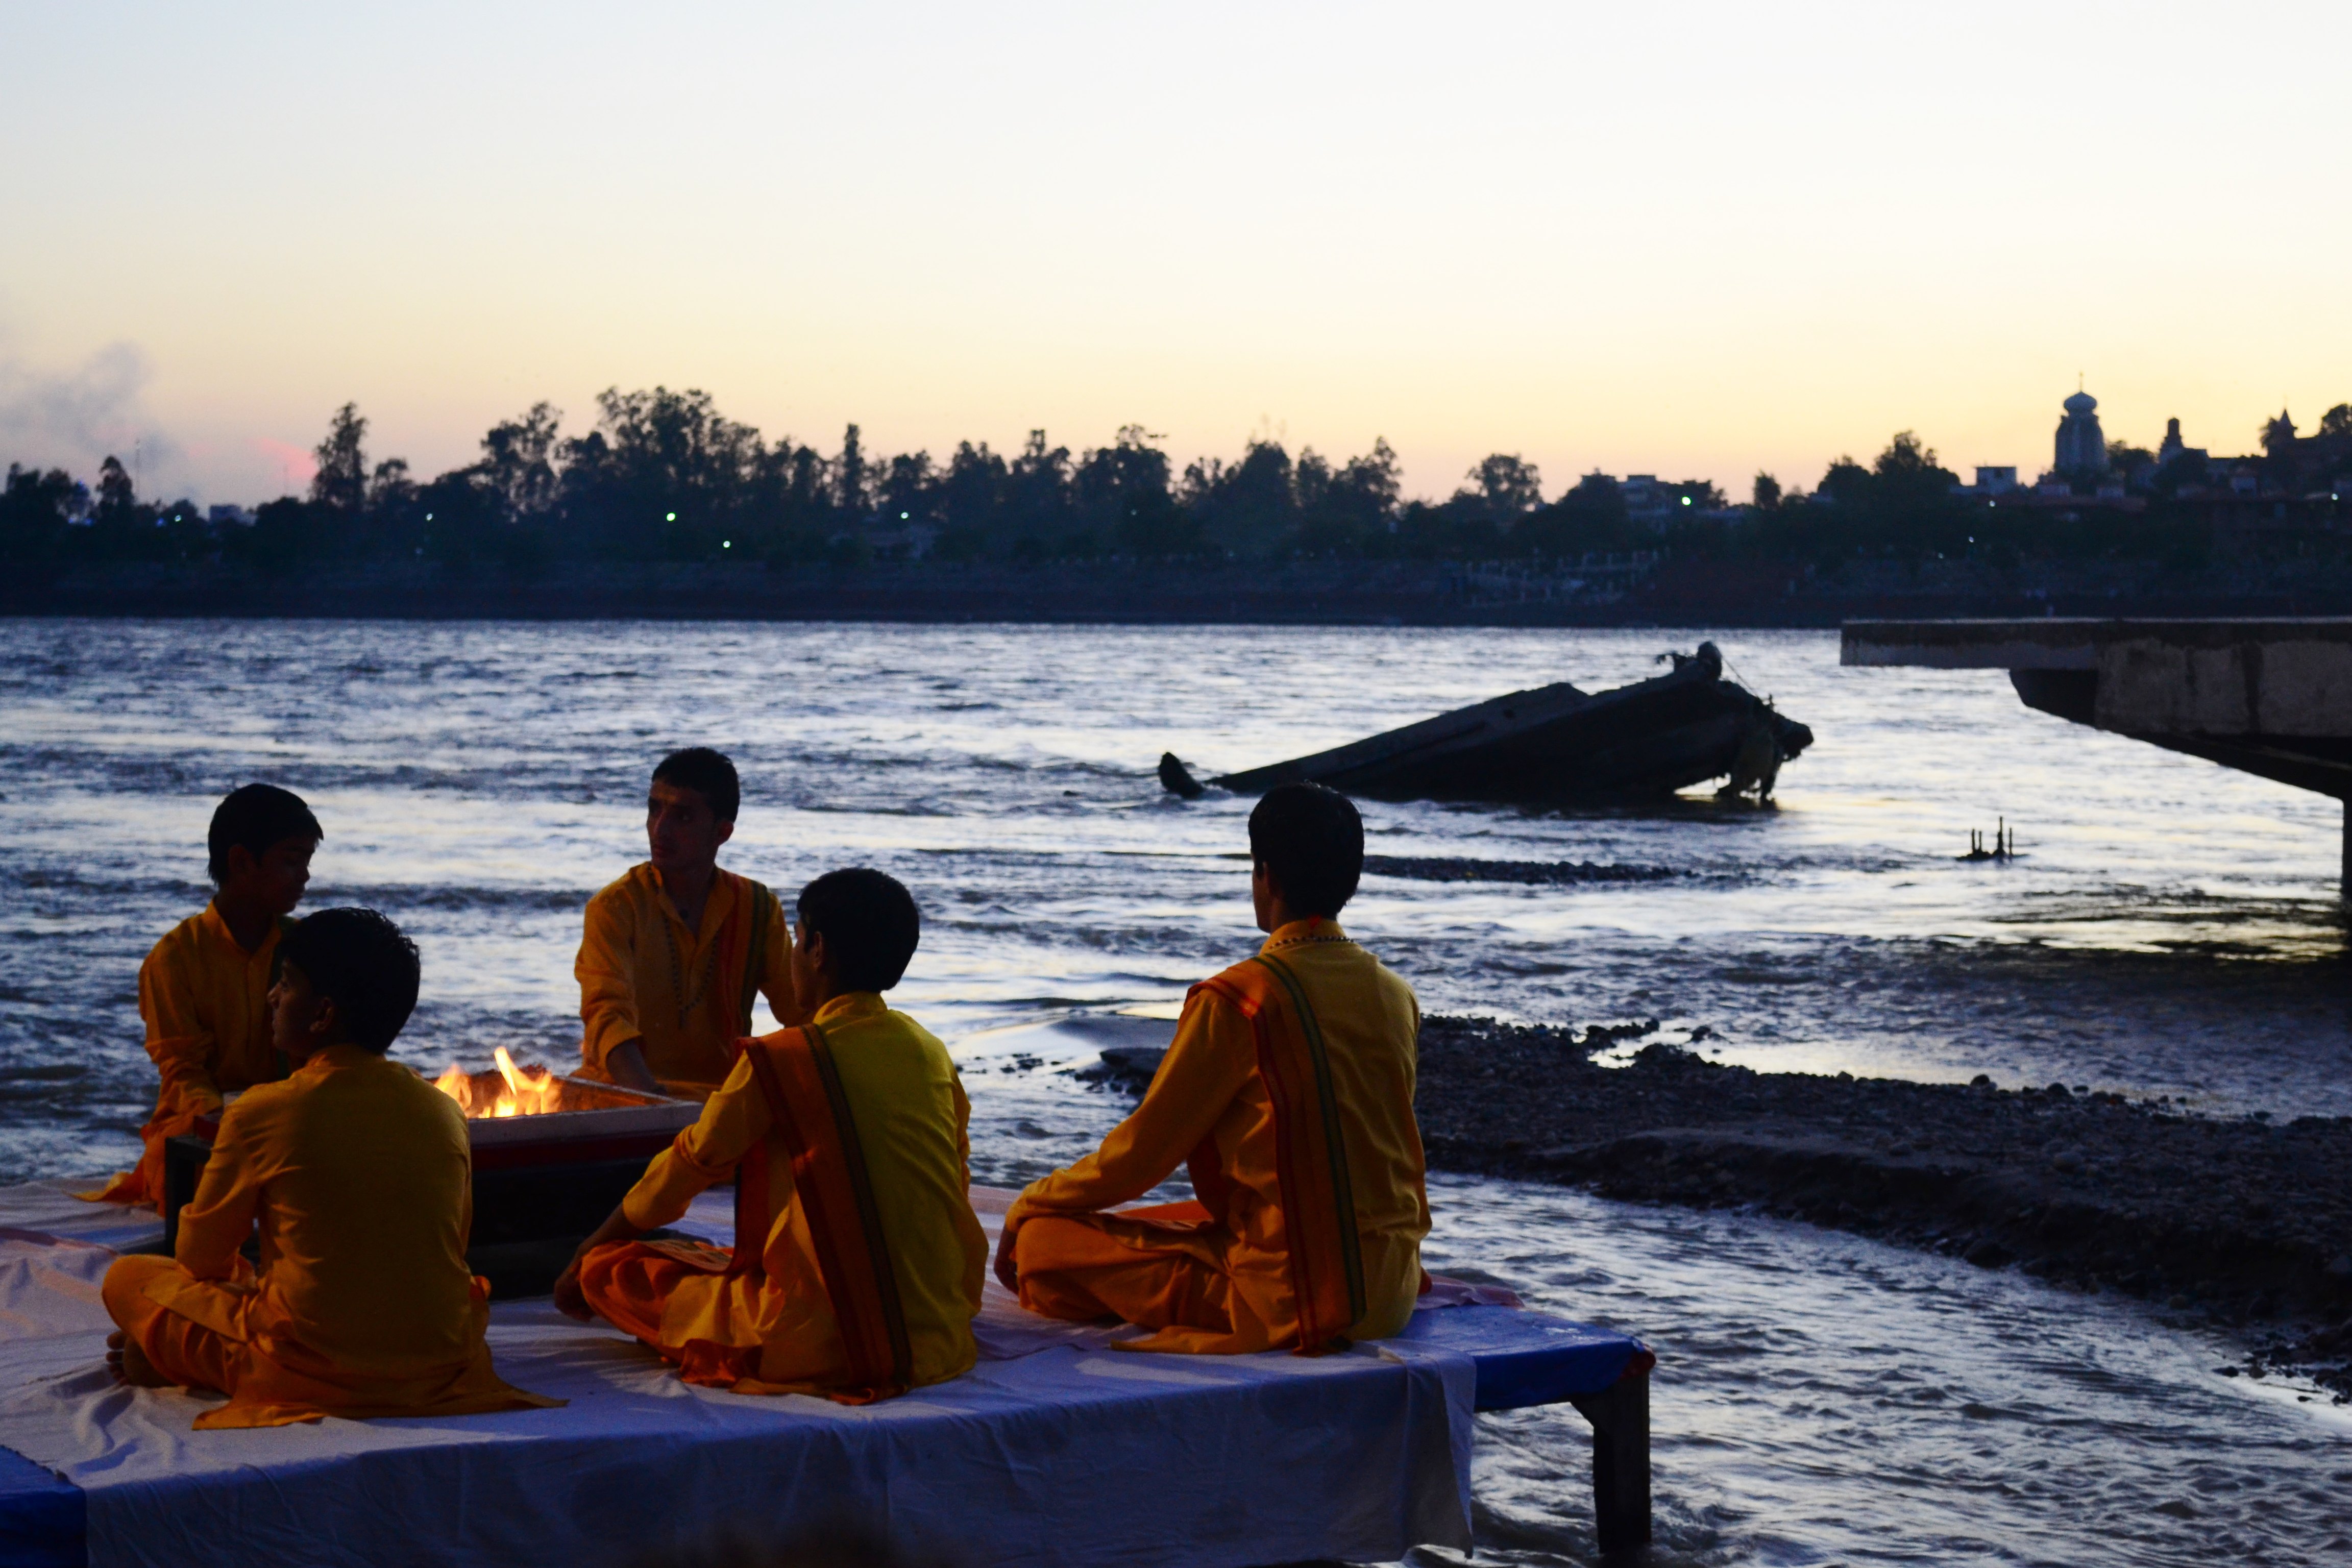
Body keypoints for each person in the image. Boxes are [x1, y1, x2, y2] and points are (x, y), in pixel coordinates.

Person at [996, 782, 1430, 1354]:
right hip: (1391, 1288)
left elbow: (1141, 1156)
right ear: (1351, 880)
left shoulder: (1241, 1000)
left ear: (1266, 876)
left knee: (1042, 1246)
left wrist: (1034, 1200)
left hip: (1295, 1300)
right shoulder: (1394, 994)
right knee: (1180, 1218)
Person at [101, 908, 560, 1429]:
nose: (272, 997)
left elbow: (199, 1258)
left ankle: (179, 1360)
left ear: (322, 1015)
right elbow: (451, 1245)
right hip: (439, 1366)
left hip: (305, 1368)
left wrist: (244, 1286)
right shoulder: (443, 1111)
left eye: (287, 985)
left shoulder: (261, 1110)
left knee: (129, 1278)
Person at [554, 869, 985, 1403]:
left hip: (818, 1344)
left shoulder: (783, 1059)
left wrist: (593, 1245)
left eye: (798, 942)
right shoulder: (931, 1053)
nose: (793, 955)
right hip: (939, 1337)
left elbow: (691, 1162)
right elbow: (955, 1184)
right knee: (706, 1254)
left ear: (818, 951)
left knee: (613, 1272)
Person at [82, 783, 322, 1206]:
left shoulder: (305, 946)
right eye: (291, 861)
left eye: (307, 862)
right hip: (203, 1127)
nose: (305, 876)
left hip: (288, 1120)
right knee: (195, 1182)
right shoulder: (175, 957)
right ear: (242, 862)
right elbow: (182, 1072)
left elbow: (325, 1052)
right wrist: (228, 1120)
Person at [577, 747, 799, 1096]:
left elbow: (801, 1013)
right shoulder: (616, 907)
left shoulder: (757, 908)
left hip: (720, 1105)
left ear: (722, 832)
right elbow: (607, 1017)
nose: (660, 829)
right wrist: (652, 1104)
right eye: (654, 809)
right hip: (621, 1100)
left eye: (682, 817)